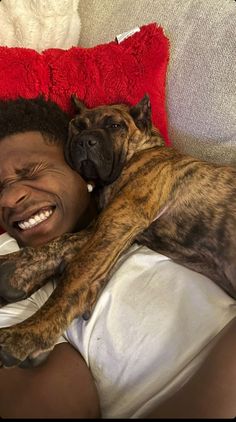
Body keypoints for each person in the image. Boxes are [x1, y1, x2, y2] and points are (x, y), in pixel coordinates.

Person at [0, 96, 235, 419]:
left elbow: (112, 233)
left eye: (111, 127)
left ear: (142, 126)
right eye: (79, 130)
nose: (11, 196)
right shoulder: (16, 250)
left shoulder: (153, 166)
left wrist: (43, 325)